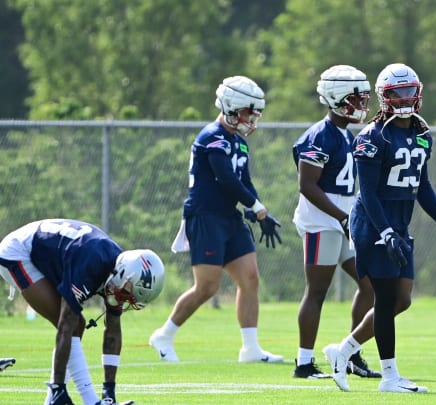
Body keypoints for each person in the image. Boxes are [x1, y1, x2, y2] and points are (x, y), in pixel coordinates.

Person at [322, 63, 436, 393]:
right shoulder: (372, 136)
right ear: (384, 98)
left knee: (402, 299)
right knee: (385, 297)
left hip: (398, 224)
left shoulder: (422, 134)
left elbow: (422, 185)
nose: (404, 98)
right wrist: (385, 232)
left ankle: (343, 350)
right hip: (373, 225)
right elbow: (368, 193)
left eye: (409, 92)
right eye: (396, 93)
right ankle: (390, 377)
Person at [150, 76, 283, 364]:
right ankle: (164, 335)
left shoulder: (239, 142)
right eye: (249, 111)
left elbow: (244, 182)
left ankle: (250, 348)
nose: (252, 118)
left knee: (250, 278)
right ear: (233, 107)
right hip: (206, 216)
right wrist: (256, 207)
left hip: (228, 217)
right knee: (207, 287)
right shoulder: (211, 137)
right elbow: (226, 179)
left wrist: (256, 211)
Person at [0, 219, 165, 405]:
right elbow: (65, 325)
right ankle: (73, 398)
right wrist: (59, 387)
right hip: (19, 252)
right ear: (122, 275)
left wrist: (109, 391)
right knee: (73, 324)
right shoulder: (92, 262)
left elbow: (112, 331)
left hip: (47, 252)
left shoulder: (120, 270)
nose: (124, 300)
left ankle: (60, 399)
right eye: (127, 294)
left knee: (77, 325)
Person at [291, 65, 379, 379]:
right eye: (357, 97)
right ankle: (303, 363)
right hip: (321, 222)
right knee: (317, 290)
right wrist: (342, 217)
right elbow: (307, 185)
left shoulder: (346, 134)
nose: (362, 103)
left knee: (370, 285)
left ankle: (351, 354)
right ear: (338, 97)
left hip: (344, 221)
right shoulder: (319, 135)